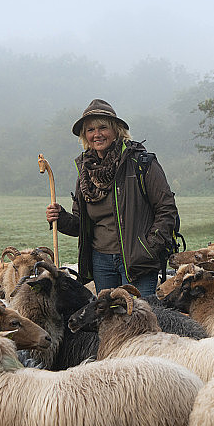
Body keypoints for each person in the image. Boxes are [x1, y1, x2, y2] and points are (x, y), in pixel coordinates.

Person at [45, 99, 178, 297]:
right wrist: (60, 217)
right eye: (90, 130)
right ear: (85, 136)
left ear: (116, 130)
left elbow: (167, 210)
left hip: (138, 262)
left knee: (139, 320)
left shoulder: (141, 163)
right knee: (110, 321)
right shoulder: (85, 171)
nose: (96, 134)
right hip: (101, 262)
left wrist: (148, 249)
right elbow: (80, 224)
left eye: (102, 128)